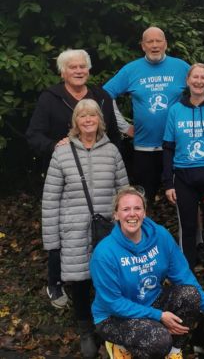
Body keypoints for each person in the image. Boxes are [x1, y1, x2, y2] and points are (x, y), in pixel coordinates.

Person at [90, 186, 204, 359]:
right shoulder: (104, 253)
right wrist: (158, 315)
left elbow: (183, 275)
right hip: (113, 317)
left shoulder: (160, 236)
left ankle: (174, 351)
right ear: (116, 215)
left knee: (190, 295)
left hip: (151, 302)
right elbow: (113, 303)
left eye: (137, 208)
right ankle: (121, 347)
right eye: (125, 209)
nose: (132, 214)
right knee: (160, 341)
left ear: (144, 213)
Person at [42, 99, 128, 358]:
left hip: (107, 229)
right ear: (76, 122)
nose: (88, 120)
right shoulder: (62, 152)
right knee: (80, 280)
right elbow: (50, 199)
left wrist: (126, 226)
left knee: (109, 278)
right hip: (74, 229)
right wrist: (52, 242)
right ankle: (85, 328)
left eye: (93, 116)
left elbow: (124, 191)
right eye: (83, 116)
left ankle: (109, 326)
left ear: (99, 120)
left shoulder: (112, 150)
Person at [162, 63, 204, 300]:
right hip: (183, 177)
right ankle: (188, 279)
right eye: (195, 77)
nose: (199, 81)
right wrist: (168, 183)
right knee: (188, 229)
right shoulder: (175, 110)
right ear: (188, 80)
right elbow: (168, 149)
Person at [103, 26, 190, 206]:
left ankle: (188, 235)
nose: (155, 45)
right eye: (150, 41)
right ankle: (142, 233)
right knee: (144, 200)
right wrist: (124, 127)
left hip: (178, 146)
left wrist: (193, 126)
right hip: (144, 149)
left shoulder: (181, 67)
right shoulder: (131, 70)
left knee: (185, 199)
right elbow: (105, 96)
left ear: (166, 44)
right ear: (143, 46)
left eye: (159, 41)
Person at [26, 49, 121, 177]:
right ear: (62, 73)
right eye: (72, 67)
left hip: (100, 169)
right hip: (62, 171)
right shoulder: (49, 98)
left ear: (88, 70)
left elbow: (114, 135)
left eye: (82, 66)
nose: (79, 71)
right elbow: (34, 135)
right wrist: (55, 147)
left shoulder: (102, 97)